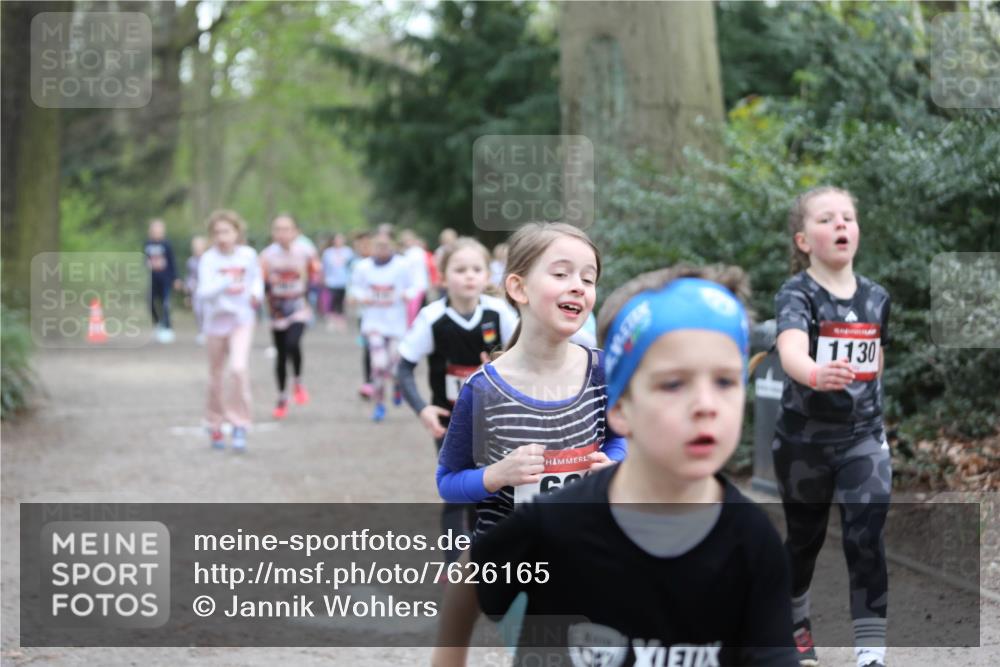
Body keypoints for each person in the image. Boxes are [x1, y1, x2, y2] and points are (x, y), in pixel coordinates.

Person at [471, 265, 798, 667]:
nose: (706, 405)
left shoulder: (753, 542)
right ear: (621, 409)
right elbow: (473, 580)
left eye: (725, 382)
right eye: (673, 384)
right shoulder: (554, 525)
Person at [432, 222, 627, 667]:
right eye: (561, 273)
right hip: (514, 563)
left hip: (592, 551)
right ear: (517, 287)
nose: (577, 286)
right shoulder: (484, 390)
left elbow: (621, 440)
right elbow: (448, 482)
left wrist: (612, 465)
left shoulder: (602, 373)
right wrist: (495, 476)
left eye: (588, 277)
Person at [771, 187, 892, 667]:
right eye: (827, 219)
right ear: (803, 240)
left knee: (867, 535)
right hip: (804, 441)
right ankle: (796, 622)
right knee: (805, 540)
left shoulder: (877, 297)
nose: (842, 225)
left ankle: (870, 652)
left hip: (863, 437)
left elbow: (877, 357)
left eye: (848, 217)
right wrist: (817, 374)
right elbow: (791, 350)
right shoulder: (796, 293)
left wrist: (867, 405)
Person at [396, 237, 518, 561]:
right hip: (450, 422)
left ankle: (481, 561)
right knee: (456, 492)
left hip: (495, 421)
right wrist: (422, 409)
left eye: (476, 269)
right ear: (442, 276)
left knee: (488, 491)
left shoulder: (499, 313)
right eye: (460, 269)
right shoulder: (432, 318)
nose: (469, 276)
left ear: (487, 275)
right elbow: (404, 368)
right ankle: (453, 565)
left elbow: (524, 355)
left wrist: (501, 363)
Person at [196, 210, 263, 451]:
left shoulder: (248, 255)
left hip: (241, 321)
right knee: (216, 376)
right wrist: (225, 282)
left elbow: (256, 279)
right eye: (217, 232)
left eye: (226, 231)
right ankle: (214, 423)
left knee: (238, 369)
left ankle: (239, 424)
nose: (222, 237)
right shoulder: (208, 260)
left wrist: (256, 293)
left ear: (237, 233)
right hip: (215, 324)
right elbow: (203, 292)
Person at [349, 231, 414, 422]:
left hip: (396, 324)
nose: (382, 249)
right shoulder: (363, 267)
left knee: (394, 365)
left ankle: (396, 384)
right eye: (378, 246)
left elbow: (414, 286)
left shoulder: (402, 265)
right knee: (378, 365)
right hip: (373, 323)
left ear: (392, 246)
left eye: (386, 246)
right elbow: (355, 288)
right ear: (372, 247)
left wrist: (407, 295)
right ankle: (379, 404)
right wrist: (363, 297)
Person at [260, 214, 319, 420]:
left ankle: (298, 381)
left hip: (299, 308)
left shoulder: (305, 252)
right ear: (273, 232)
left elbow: (316, 275)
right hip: (277, 312)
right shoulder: (267, 256)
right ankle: (282, 397)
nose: (282, 233)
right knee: (281, 354)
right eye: (278, 229)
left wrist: (310, 288)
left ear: (295, 232)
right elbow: (260, 281)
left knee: (294, 343)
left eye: (286, 229)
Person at [144, 218, 178, 343]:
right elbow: (144, 260)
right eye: (155, 229)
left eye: (159, 229)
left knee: (165, 303)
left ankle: (168, 328)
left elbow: (172, 262)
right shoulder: (147, 244)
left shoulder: (167, 244)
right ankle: (158, 323)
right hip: (152, 280)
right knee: (151, 302)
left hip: (165, 280)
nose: (157, 232)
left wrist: (175, 278)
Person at [321, 233, 354, 331]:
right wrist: (323, 278)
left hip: (344, 281)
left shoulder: (348, 251)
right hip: (331, 281)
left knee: (341, 301)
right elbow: (324, 267)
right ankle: (331, 319)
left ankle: (340, 320)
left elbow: (351, 266)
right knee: (332, 300)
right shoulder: (328, 252)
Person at [399, 229, 430, 326]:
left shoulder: (414, 253)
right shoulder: (414, 252)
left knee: (413, 313)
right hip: (416, 287)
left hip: (417, 287)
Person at [185, 235, 208, 345]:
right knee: (198, 311)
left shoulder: (209, 259)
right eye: (196, 248)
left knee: (207, 311)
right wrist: (189, 286)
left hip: (208, 290)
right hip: (196, 291)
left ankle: (209, 331)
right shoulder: (191, 261)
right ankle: (201, 332)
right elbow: (190, 276)